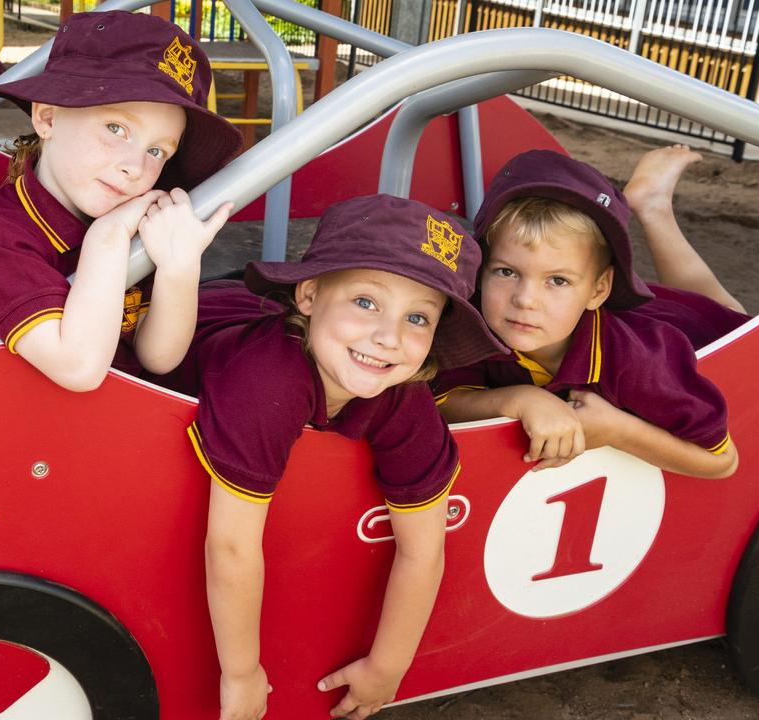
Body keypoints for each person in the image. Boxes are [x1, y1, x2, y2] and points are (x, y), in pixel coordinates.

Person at [156, 195, 507, 720]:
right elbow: (230, 545)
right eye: (366, 302)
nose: (389, 337)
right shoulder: (265, 382)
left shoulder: (403, 391)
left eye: (417, 317)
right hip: (206, 320)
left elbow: (423, 550)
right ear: (310, 293)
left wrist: (388, 666)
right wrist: (242, 672)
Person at [0, 10, 243, 390]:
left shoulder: (135, 221)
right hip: (30, 433)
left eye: (158, 151)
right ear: (48, 118)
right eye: (116, 128)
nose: (134, 166)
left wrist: (180, 269)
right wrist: (106, 239)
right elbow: (78, 368)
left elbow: (157, 357)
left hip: (120, 416)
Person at [433, 148, 746, 478]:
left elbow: (723, 462)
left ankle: (654, 207)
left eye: (557, 280)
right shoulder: (473, 326)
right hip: (624, 313)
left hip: (690, 327)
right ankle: (649, 204)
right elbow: (441, 398)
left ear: (599, 290)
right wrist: (517, 399)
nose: (525, 299)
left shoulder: (638, 363)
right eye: (507, 272)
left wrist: (618, 430)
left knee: (727, 311)